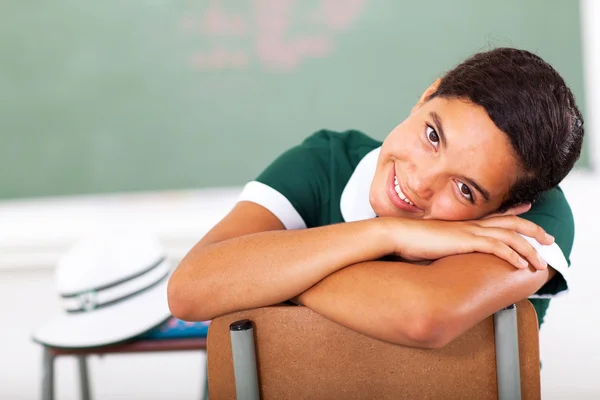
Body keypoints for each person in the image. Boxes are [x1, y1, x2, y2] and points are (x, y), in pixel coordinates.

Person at [167, 47, 584, 348]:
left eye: (464, 189)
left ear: (508, 208)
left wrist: (268, 276)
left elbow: (422, 317)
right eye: (432, 135)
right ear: (426, 96)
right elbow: (190, 291)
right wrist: (386, 234)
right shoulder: (321, 164)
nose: (421, 181)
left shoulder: (537, 221)